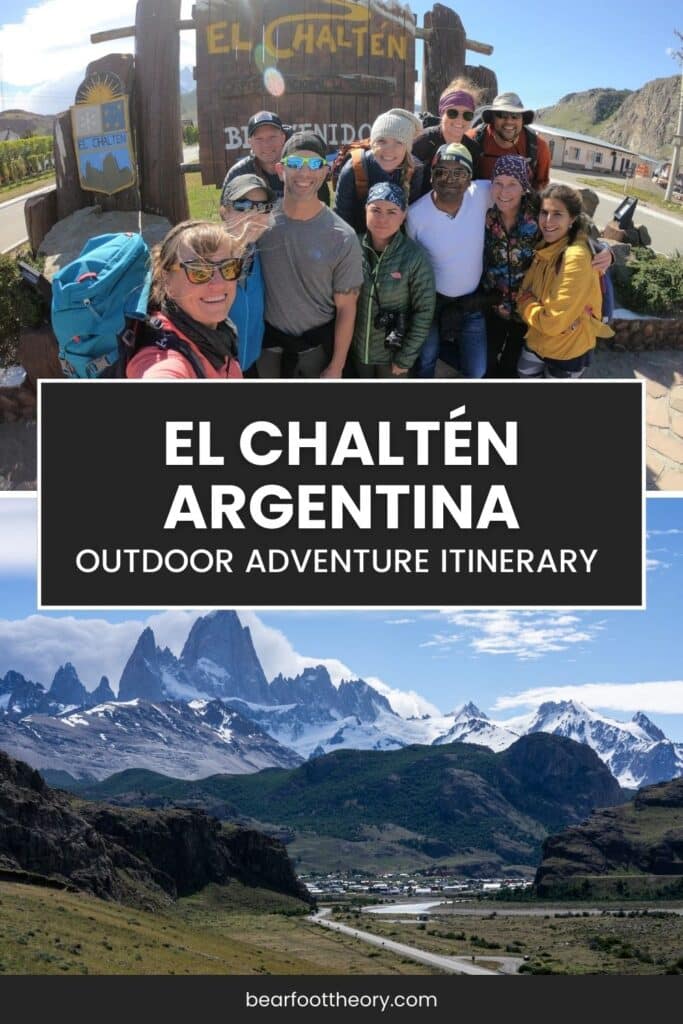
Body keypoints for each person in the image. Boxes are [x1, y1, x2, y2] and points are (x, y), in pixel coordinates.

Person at [482, 157, 614, 378]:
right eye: (498, 182)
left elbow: (578, 236)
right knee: (485, 365)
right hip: (495, 307)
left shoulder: (538, 218)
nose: (504, 190)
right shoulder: (488, 216)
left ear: (524, 187)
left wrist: (606, 250)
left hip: (528, 319)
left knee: (510, 370)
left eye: (513, 183)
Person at [256, 131, 363, 378]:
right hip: (270, 348)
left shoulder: (342, 236)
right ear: (281, 170)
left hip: (317, 350)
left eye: (314, 164)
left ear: (324, 172)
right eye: (295, 164)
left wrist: (336, 367)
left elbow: (347, 308)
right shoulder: (261, 225)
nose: (304, 173)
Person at [406, 143, 491, 378]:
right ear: (431, 176)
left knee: (477, 371)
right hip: (431, 303)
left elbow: (522, 197)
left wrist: (588, 241)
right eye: (441, 171)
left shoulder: (483, 193)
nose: (449, 179)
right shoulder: (415, 215)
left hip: (472, 302)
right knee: (425, 360)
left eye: (458, 173)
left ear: (470, 178)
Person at [516, 184, 614, 379]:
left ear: (573, 219)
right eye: (544, 212)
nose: (548, 221)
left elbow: (552, 322)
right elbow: (525, 289)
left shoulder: (576, 256)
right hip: (537, 341)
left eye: (557, 214)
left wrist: (525, 303)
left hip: (568, 351)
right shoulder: (545, 244)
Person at [126, 220, 244, 379]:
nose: (219, 284)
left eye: (228, 268)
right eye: (199, 271)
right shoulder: (163, 358)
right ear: (167, 280)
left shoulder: (217, 334)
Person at [351, 182, 435, 377]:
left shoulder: (414, 257)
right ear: (366, 210)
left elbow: (424, 311)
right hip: (357, 352)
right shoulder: (351, 246)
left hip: (392, 357)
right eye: (376, 210)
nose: (382, 219)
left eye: (392, 212)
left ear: (404, 215)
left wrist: (405, 358)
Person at [219, 173, 276, 374]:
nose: (253, 214)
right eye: (243, 205)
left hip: (250, 363)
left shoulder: (257, 253)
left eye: (261, 207)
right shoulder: (206, 261)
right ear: (224, 212)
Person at [333, 108, 424, 232]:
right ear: (372, 143)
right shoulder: (354, 168)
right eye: (382, 141)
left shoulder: (414, 170)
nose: (389, 150)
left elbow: (412, 218)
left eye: (399, 142)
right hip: (357, 240)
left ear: (407, 148)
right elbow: (341, 219)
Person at [221, 110, 329, 204]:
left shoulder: (305, 169)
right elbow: (226, 211)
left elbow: (322, 206)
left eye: (272, 137)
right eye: (259, 139)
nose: (266, 145)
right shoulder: (238, 173)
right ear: (250, 143)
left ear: (283, 138)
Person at [466, 92, 551, 192]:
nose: (509, 121)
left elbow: (541, 187)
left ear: (523, 120)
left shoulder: (538, 147)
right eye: (502, 115)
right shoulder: (472, 140)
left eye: (515, 115)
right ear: (492, 118)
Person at [412, 78, 481, 196]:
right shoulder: (423, 142)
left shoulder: (474, 149)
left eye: (467, 115)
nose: (460, 119)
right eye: (452, 113)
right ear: (442, 113)